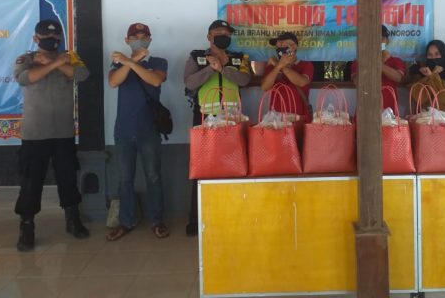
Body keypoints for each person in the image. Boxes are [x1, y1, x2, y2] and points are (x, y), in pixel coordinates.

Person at [13, 19, 90, 252]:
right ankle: (27, 226)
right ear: (35, 38)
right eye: (47, 36)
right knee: (31, 181)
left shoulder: (70, 57)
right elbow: (25, 78)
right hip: (35, 134)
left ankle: (73, 219)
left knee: (67, 177)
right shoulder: (26, 59)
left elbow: (82, 75)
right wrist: (55, 64)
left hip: (63, 132)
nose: (52, 40)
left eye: (56, 36)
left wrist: (56, 62)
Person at [183, 19, 251, 236]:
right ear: (209, 37)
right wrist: (210, 69)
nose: (223, 35)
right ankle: (197, 220)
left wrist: (223, 68)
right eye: (219, 32)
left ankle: (232, 216)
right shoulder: (197, 57)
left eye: (227, 33)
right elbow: (189, 82)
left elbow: (244, 80)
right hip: (205, 118)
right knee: (202, 166)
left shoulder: (240, 57)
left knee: (234, 164)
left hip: (233, 119)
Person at [106, 23, 170, 241]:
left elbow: (155, 80)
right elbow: (113, 82)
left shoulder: (158, 62)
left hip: (149, 130)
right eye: (135, 37)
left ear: (150, 40)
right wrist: (129, 61)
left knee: (153, 176)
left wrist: (130, 62)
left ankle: (157, 220)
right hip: (123, 131)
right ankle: (126, 221)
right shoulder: (118, 63)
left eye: (144, 37)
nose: (140, 40)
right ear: (127, 40)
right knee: (125, 178)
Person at [350, 25, 406, 110]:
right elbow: (358, 82)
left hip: (389, 112)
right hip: (365, 111)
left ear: (387, 41)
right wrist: (370, 59)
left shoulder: (396, 61)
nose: (377, 43)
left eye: (381, 39)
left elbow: (398, 77)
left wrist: (379, 64)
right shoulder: (358, 61)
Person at [261, 32, 314, 120]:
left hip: (299, 118)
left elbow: (302, 82)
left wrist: (279, 65)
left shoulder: (306, 65)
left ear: (294, 46)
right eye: (277, 46)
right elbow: (264, 87)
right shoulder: (273, 67)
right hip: (277, 120)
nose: (279, 48)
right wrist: (278, 66)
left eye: (282, 45)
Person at [408, 39, 445, 116]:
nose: (433, 57)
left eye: (437, 54)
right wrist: (430, 76)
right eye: (430, 55)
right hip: (423, 120)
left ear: (443, 54)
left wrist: (433, 76)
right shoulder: (421, 74)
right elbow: (419, 99)